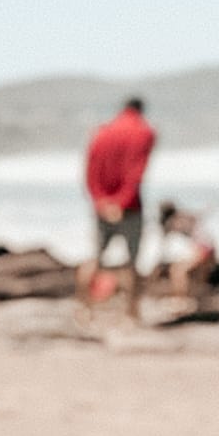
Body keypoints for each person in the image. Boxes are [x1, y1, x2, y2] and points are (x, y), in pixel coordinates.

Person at [76, 96, 157, 320]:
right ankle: (132, 313)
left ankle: (85, 309)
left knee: (95, 259)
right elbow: (136, 173)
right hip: (129, 207)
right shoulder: (144, 132)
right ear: (141, 110)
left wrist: (101, 201)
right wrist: (121, 202)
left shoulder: (101, 132)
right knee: (132, 263)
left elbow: (90, 173)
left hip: (102, 207)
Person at [155, 200, 217, 308]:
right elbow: (200, 216)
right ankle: (197, 300)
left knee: (177, 271)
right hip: (208, 248)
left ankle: (180, 300)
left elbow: (164, 245)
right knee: (196, 275)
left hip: (202, 248)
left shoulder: (173, 221)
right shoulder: (184, 216)